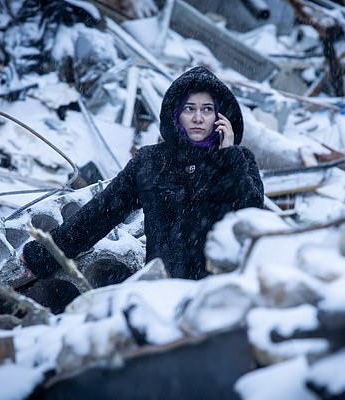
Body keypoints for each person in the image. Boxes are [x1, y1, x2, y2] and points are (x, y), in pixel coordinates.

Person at [22, 66, 264, 281]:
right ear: (176, 114)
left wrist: (228, 156)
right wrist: (45, 255)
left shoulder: (239, 161)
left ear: (219, 117)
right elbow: (99, 214)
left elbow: (251, 220)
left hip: (220, 293)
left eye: (207, 109)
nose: (198, 118)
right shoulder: (151, 162)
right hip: (162, 291)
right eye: (189, 108)